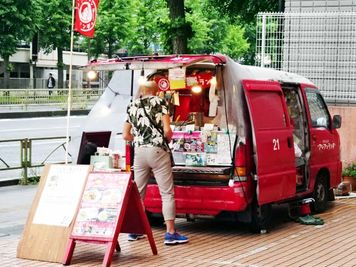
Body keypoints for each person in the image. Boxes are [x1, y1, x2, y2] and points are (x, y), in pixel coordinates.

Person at [122, 80, 188, 245]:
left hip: (140, 152)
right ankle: (171, 233)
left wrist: (138, 140)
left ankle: (134, 230)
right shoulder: (160, 102)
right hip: (158, 150)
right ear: (156, 90)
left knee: (138, 193)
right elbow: (167, 131)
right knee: (166, 193)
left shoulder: (131, 105)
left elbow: (125, 135)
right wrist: (167, 139)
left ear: (142, 90)